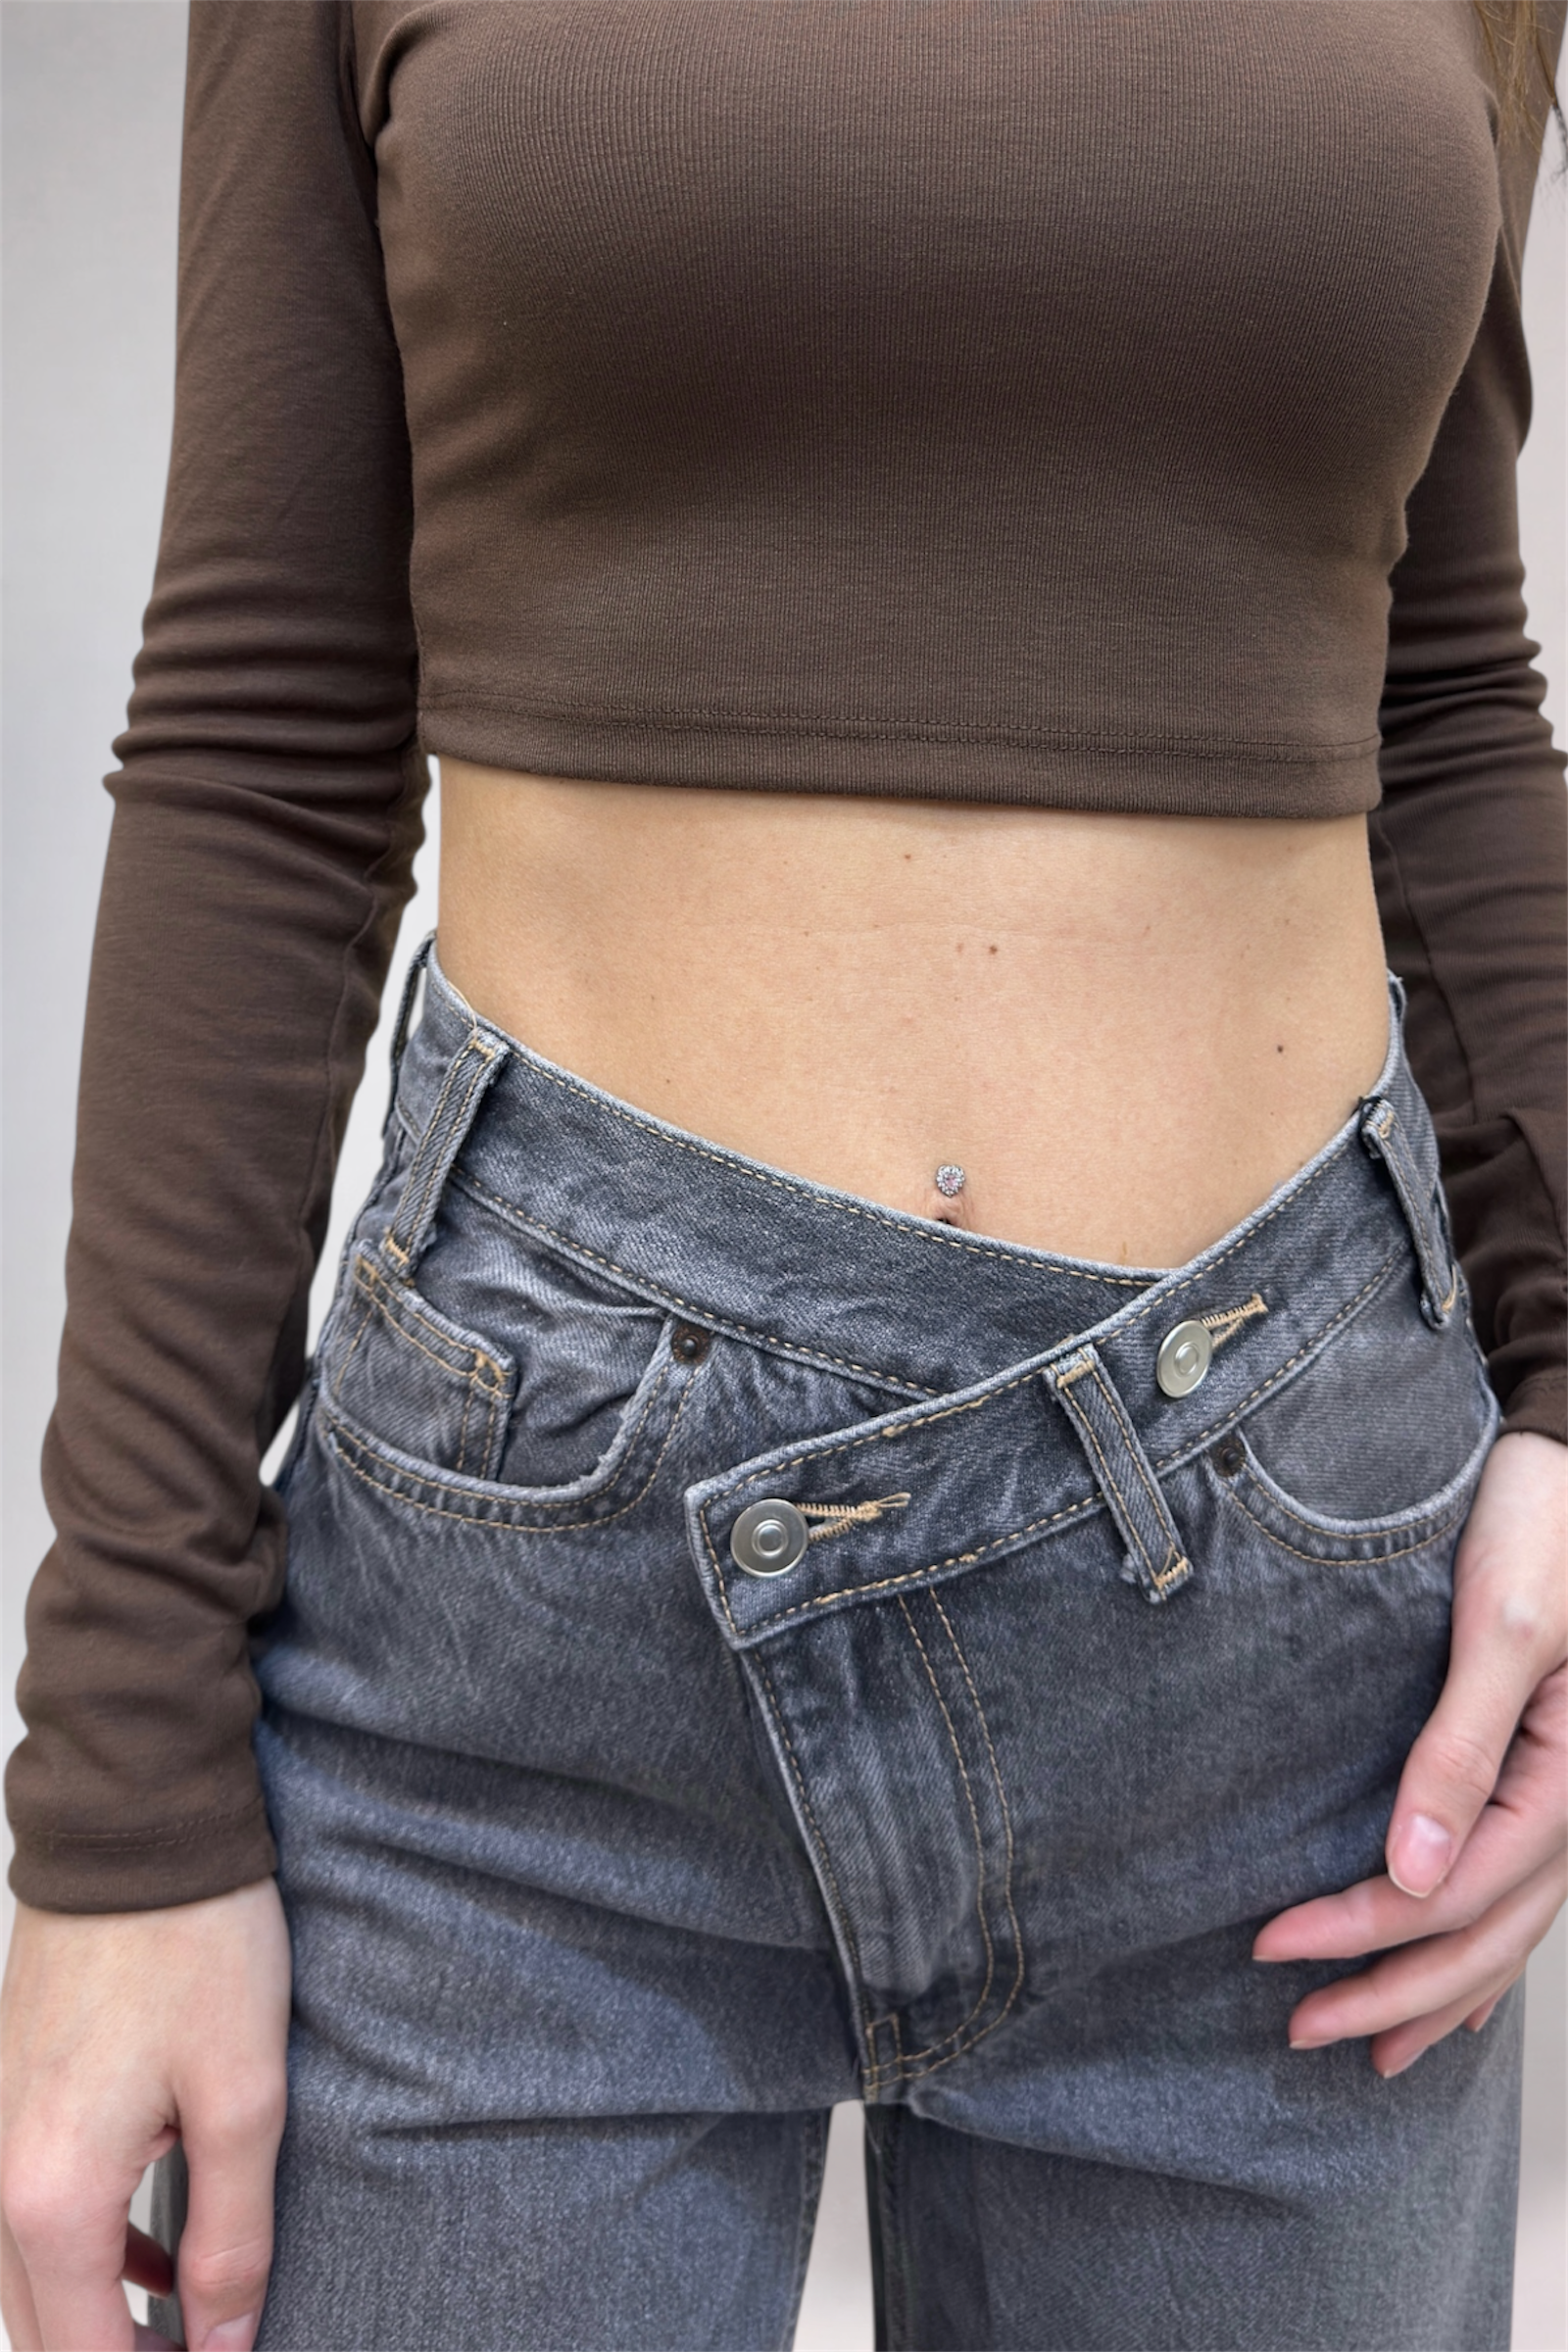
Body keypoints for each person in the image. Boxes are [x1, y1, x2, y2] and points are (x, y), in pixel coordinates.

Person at [3, 0, 1568, 2344]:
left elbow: (1436, 694)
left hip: (1290, 1666)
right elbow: (267, 733)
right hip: (523, 1670)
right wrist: (114, 1787)